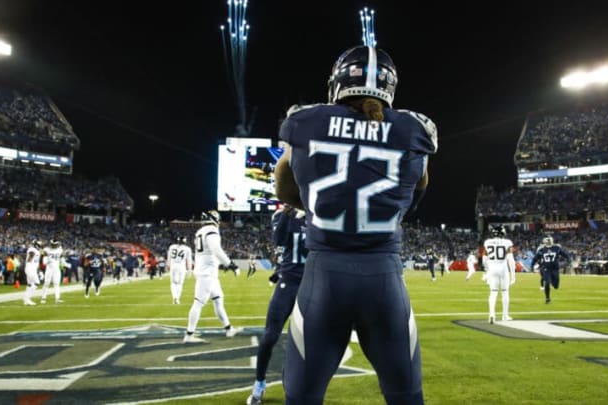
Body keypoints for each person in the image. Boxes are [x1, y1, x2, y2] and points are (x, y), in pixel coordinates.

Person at [274, 44, 437, 404]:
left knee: (301, 397)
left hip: (324, 278)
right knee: (407, 397)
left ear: (337, 83)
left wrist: (323, 206)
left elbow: (285, 187)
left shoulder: (305, 121)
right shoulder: (415, 130)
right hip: (384, 279)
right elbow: (414, 191)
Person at [247, 204, 308, 405]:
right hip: (288, 282)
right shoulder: (283, 215)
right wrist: (288, 211)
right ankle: (259, 383)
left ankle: (299, 386)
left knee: (312, 342)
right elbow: (279, 240)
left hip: (312, 285)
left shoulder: (319, 213)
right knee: (269, 336)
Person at [183, 210, 238, 342]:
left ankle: (229, 328)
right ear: (215, 219)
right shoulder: (211, 230)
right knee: (198, 303)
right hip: (206, 273)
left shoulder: (200, 231)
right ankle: (189, 335)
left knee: (218, 300)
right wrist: (230, 264)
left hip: (209, 273)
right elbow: (216, 250)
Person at [482, 225, 516, 324]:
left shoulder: (487, 242)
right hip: (503, 268)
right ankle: (505, 315)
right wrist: (513, 275)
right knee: (505, 292)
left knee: (493, 292)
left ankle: (491, 314)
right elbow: (511, 260)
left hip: (492, 268)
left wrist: (487, 272)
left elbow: (484, 260)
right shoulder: (507, 242)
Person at [531, 235, 571, 304]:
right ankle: (547, 298)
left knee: (556, 286)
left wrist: (568, 260)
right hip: (546, 269)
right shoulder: (542, 249)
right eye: (548, 241)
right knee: (547, 282)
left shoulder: (556, 248)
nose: (549, 242)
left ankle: (552, 281)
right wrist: (532, 265)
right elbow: (535, 258)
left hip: (555, 269)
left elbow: (565, 254)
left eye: (549, 241)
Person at [167, 236, 192, 304]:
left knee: (173, 283)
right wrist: (189, 270)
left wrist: (168, 265)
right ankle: (177, 298)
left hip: (173, 265)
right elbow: (189, 260)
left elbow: (169, 258)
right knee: (179, 284)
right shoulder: (187, 249)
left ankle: (174, 297)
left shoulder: (172, 247)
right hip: (181, 266)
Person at [40, 239, 64, 304]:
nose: (54, 246)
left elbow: (61, 258)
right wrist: (46, 261)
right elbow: (44, 260)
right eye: (53, 244)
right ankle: (43, 298)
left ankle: (57, 298)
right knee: (46, 283)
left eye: (55, 244)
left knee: (57, 284)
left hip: (56, 269)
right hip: (49, 268)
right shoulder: (46, 249)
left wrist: (63, 264)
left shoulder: (60, 250)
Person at [23, 239, 43, 305]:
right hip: (30, 268)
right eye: (39, 245)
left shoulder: (37, 251)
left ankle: (26, 300)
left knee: (29, 284)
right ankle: (27, 299)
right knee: (37, 283)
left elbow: (36, 262)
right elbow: (30, 257)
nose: (40, 246)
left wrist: (39, 271)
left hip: (32, 269)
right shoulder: (32, 250)